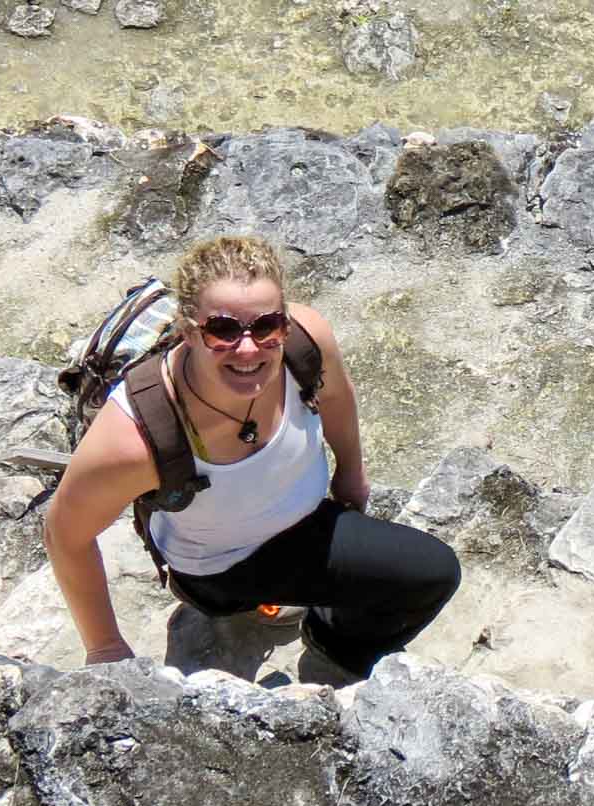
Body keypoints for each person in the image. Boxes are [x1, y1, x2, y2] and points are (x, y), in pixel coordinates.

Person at [43, 234, 460, 682]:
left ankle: (325, 629)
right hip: (223, 569)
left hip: (307, 521)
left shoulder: (306, 340)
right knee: (430, 575)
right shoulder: (137, 437)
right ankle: (334, 648)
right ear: (188, 330)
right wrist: (106, 647)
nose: (248, 349)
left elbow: (337, 395)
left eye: (266, 327)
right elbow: (65, 534)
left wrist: (351, 472)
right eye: (222, 331)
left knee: (432, 572)